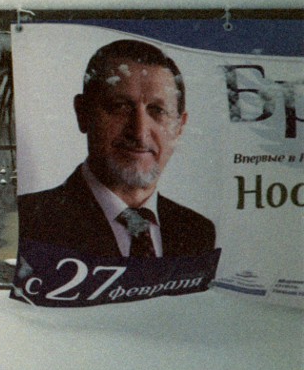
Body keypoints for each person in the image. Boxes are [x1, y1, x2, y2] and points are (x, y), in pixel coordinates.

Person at [17, 39, 216, 259]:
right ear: (82, 113)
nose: (139, 132)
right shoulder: (29, 221)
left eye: (158, 110)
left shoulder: (197, 232)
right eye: (120, 107)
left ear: (179, 126)